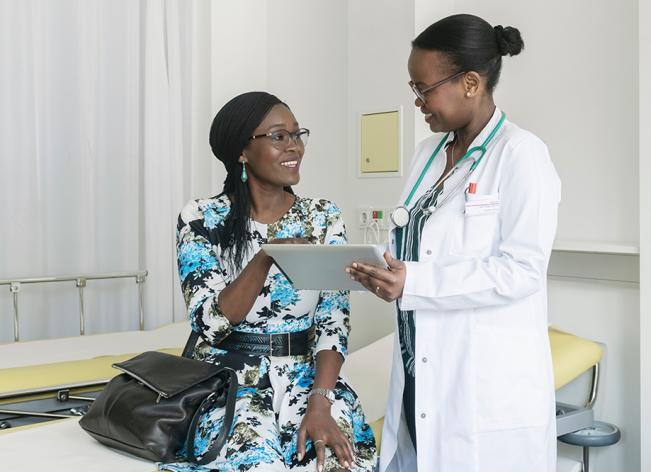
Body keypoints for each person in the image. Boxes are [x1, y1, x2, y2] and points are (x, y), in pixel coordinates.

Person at [346, 14, 562, 472]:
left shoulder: (521, 154)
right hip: (417, 366)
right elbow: (415, 243)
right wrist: (383, 272)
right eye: (413, 89)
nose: (419, 102)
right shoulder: (427, 153)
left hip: (482, 384)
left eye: (424, 89)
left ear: (469, 83)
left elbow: (522, 271)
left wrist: (414, 282)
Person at [164, 91, 377, 472]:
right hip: (230, 382)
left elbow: (333, 323)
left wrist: (321, 400)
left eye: (297, 135)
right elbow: (210, 324)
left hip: (308, 379)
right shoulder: (201, 218)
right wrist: (265, 257)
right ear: (242, 151)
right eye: (279, 136)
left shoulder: (322, 217)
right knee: (260, 466)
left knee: (336, 465)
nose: (294, 146)